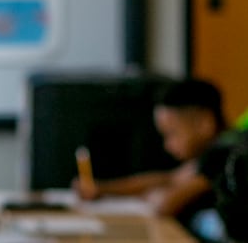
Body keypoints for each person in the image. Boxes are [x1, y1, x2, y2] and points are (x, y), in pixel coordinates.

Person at [72, 78, 226, 227]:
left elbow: (165, 205)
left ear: (204, 123)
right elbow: (169, 179)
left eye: (172, 134)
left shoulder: (225, 155)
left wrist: (155, 195)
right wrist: (102, 189)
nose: (167, 145)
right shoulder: (210, 153)